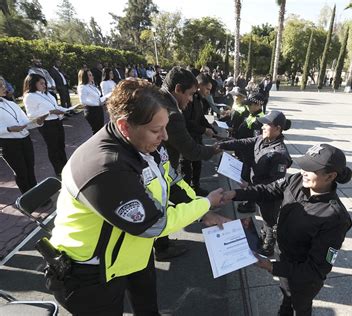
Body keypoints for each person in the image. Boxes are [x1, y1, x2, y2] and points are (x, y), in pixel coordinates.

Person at [46, 79, 229, 315]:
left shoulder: (144, 144)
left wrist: (203, 211)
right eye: (156, 130)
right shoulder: (105, 167)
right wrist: (206, 202)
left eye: (165, 127)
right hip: (91, 272)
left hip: (132, 254)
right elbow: (153, 224)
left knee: (148, 309)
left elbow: (172, 181)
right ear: (124, 126)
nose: (164, 137)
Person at [222, 144, 352, 316]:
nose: (304, 171)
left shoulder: (335, 218)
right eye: (304, 166)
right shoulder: (297, 180)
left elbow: (315, 269)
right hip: (284, 258)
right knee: (287, 297)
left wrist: (272, 267)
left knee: (300, 305)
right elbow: (268, 189)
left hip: (302, 277)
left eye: (311, 169)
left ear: (330, 176)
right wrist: (235, 194)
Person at [157, 66, 221, 260]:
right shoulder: (171, 114)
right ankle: (161, 247)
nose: (192, 99)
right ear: (178, 89)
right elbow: (190, 150)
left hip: (163, 169)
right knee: (159, 204)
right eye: (191, 94)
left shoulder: (157, 100)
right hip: (159, 170)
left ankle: (162, 244)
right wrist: (214, 150)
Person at [218, 111, 292, 256]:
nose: (263, 127)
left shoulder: (280, 155)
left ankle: (268, 245)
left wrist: (251, 187)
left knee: (269, 219)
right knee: (262, 215)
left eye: (267, 124)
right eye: (263, 123)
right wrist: (221, 145)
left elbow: (274, 185)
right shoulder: (262, 139)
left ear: (278, 129)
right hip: (256, 188)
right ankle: (265, 236)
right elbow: (242, 143)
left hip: (268, 194)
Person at [0, 76, 45, 193]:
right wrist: (9, 129)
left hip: (25, 139)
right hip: (9, 144)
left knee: (30, 169)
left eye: (4, 84)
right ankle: (28, 198)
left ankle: (37, 193)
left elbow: (25, 121)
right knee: (21, 172)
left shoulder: (11, 103)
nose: (5, 88)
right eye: (1, 86)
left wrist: (37, 122)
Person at [23, 74, 69, 178]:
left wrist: (63, 110)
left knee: (61, 145)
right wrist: (50, 112)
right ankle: (59, 170)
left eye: (45, 83)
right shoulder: (30, 96)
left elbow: (56, 106)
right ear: (33, 84)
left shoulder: (47, 94)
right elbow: (31, 115)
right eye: (41, 83)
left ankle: (65, 167)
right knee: (53, 147)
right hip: (47, 124)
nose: (44, 85)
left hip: (57, 121)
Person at [181, 73, 217, 195]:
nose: (208, 92)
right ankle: (186, 194)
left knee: (198, 164)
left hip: (196, 137)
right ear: (200, 85)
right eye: (207, 89)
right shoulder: (189, 99)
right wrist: (204, 130)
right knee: (186, 169)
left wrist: (212, 129)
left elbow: (201, 118)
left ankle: (196, 188)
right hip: (187, 138)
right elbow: (187, 122)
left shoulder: (199, 100)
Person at [77, 69, 105, 134]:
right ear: (84, 77)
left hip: (98, 109)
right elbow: (83, 101)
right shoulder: (82, 87)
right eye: (90, 75)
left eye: (91, 75)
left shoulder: (92, 85)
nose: (92, 76)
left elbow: (98, 96)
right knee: (97, 131)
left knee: (101, 129)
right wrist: (97, 103)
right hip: (91, 111)